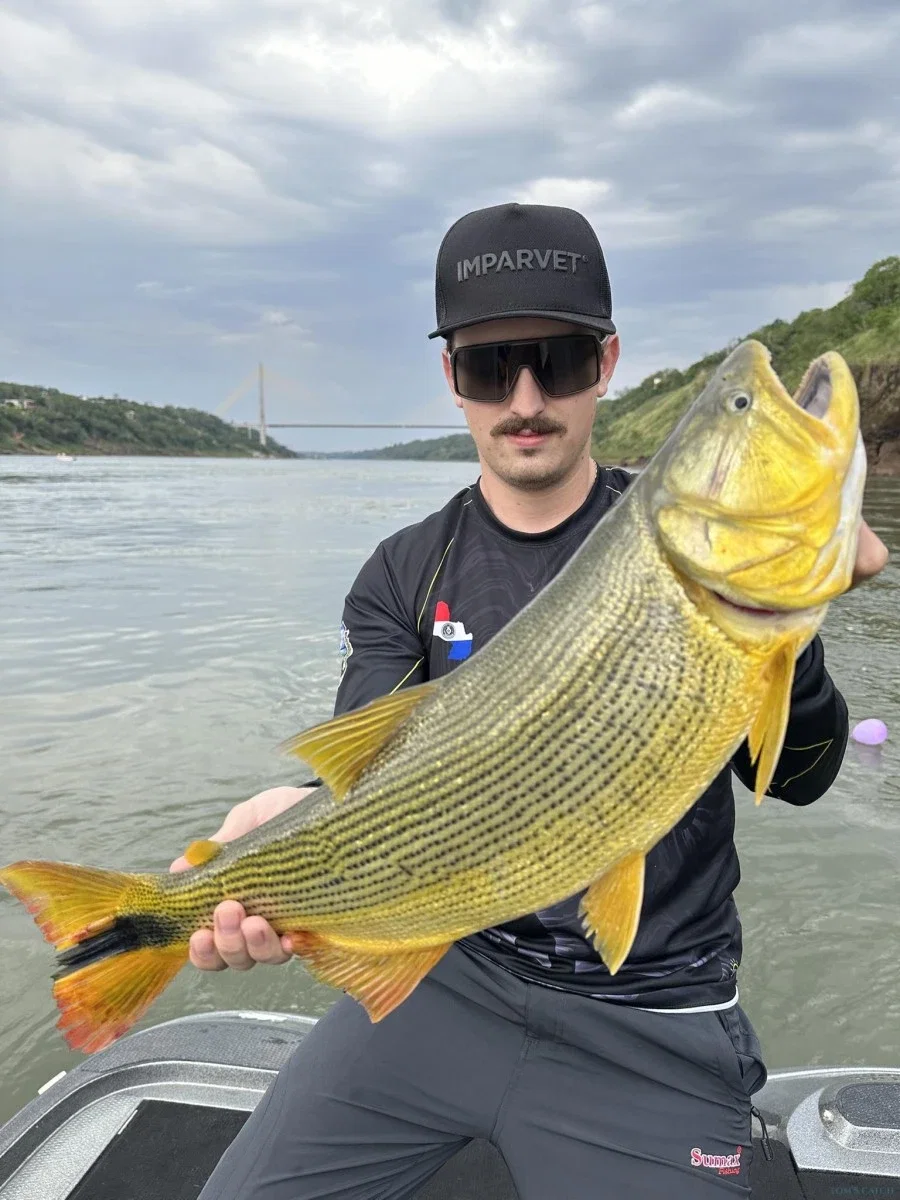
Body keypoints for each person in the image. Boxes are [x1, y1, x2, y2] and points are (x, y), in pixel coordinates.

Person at [184, 203, 889, 1200]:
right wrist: (280, 838)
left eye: (556, 361)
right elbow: (372, 785)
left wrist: (793, 634)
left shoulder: (675, 545)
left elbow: (803, 779)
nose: (525, 398)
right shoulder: (402, 572)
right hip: (447, 979)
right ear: (453, 378)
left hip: (656, 1015)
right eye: (490, 366)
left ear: (606, 363)